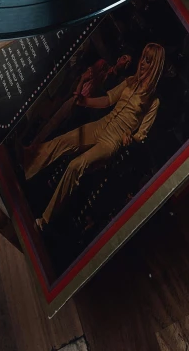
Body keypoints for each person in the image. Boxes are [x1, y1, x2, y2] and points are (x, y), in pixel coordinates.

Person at [24, 44, 165, 229]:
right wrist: (85, 101)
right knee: (63, 140)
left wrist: (130, 138)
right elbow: (108, 100)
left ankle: (45, 220)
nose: (143, 63)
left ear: (155, 66)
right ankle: (26, 165)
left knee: (75, 165)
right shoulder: (130, 81)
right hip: (101, 125)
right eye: (143, 58)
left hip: (113, 140)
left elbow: (142, 134)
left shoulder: (153, 101)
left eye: (149, 60)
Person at [30, 54, 132, 146]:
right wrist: (76, 95)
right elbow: (84, 77)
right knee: (54, 122)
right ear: (118, 58)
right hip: (78, 98)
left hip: (86, 111)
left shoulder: (117, 84)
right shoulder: (103, 66)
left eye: (128, 63)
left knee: (62, 133)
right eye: (124, 58)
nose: (125, 62)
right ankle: (33, 146)